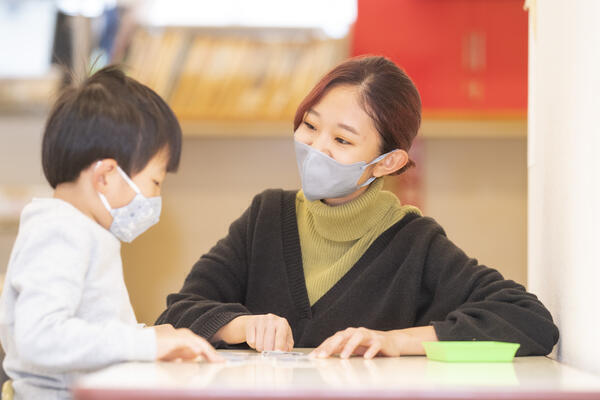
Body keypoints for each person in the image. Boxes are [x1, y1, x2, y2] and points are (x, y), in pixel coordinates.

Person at [156, 56, 559, 359]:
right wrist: (240, 325)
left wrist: (397, 341)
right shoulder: (266, 217)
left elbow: (528, 320)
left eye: (343, 141)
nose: (317, 148)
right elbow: (178, 314)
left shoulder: (414, 243)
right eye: (310, 126)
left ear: (388, 162)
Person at [0, 66, 222, 400]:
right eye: (155, 182)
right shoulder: (61, 232)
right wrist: (145, 344)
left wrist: (147, 336)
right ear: (105, 176)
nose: (156, 197)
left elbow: (91, 327)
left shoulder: (81, 230)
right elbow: (41, 336)